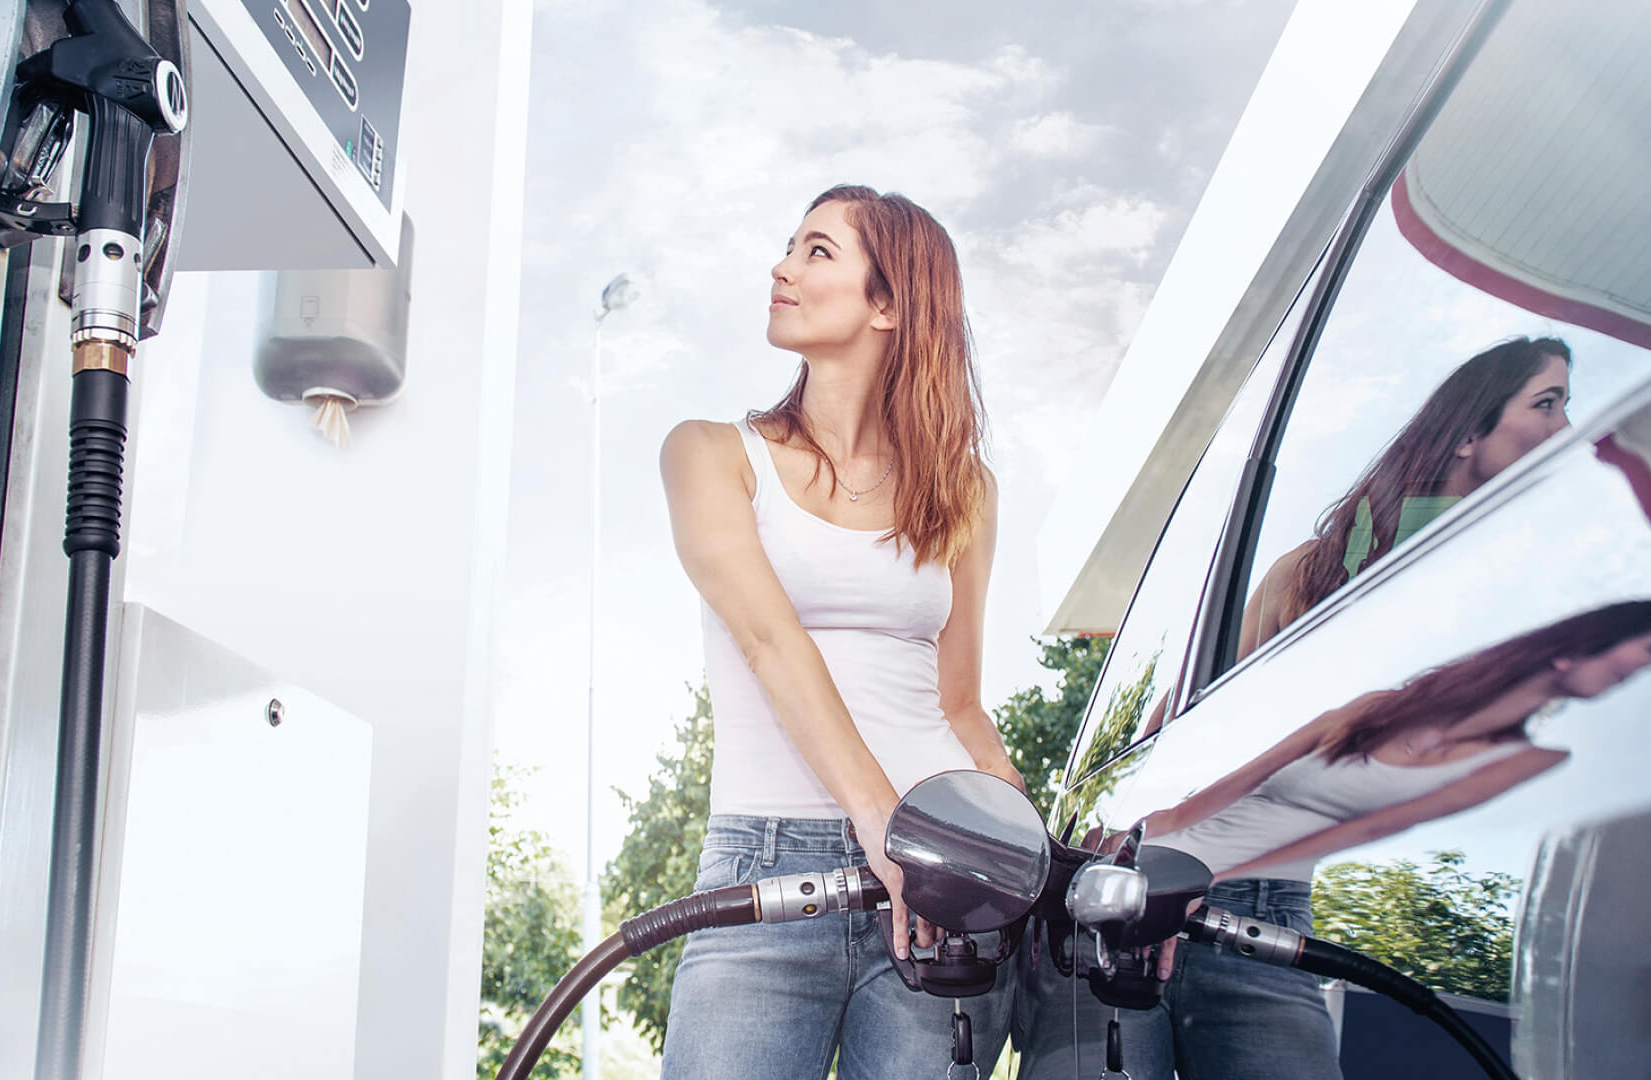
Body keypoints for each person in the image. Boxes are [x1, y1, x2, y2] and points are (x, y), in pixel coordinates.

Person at [656, 185, 1024, 1079]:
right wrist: (878, 823)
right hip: (766, 867)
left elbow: (963, 706)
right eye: (790, 247)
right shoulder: (710, 454)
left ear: (890, 303)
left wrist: (1028, 851)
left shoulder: (964, 490)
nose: (782, 267)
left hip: (944, 872)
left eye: (817, 252)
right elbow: (772, 643)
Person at [1015, 600, 1651, 1080]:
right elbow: (1219, 794)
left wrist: (1197, 894)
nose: (1637, 677)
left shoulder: (1526, 761)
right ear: (1576, 648)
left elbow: (1369, 828)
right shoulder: (1374, 706)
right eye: (1640, 658)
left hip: (1263, 920)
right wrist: (1141, 853)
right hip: (1135, 899)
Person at [1239, 336, 1572, 659]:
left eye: (1564, 407)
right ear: (1469, 435)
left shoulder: (1534, 564)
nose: (1567, 428)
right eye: (1546, 405)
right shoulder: (1302, 575)